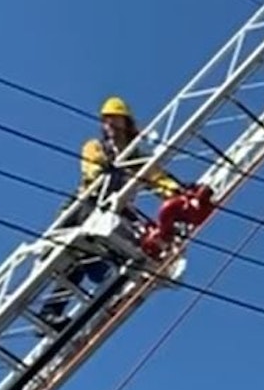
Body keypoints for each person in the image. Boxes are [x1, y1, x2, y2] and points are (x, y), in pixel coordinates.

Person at [38, 96, 192, 333]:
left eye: (114, 120)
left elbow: (155, 177)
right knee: (79, 258)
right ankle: (52, 310)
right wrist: (100, 169)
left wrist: (175, 190)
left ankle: (59, 310)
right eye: (106, 120)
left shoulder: (135, 156)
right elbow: (90, 165)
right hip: (87, 206)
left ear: (126, 122)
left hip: (113, 211)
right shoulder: (97, 146)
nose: (109, 125)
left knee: (93, 261)